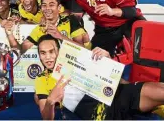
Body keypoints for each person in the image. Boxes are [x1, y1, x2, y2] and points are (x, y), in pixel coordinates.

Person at [35, 34, 164, 120]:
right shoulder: (41, 79)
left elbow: (124, 83)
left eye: (51, 51)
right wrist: (51, 101)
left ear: (59, 50)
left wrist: (109, 64)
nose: (48, 57)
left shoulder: (79, 59)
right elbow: (46, 118)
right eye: (43, 53)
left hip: (120, 96)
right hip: (101, 115)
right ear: (39, 55)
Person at [5, 0, 89, 54]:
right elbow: (20, 51)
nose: (47, 8)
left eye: (51, 5)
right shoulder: (39, 29)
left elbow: (82, 51)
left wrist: (60, 36)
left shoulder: (70, 20)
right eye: (44, 5)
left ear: (59, 7)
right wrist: (10, 34)